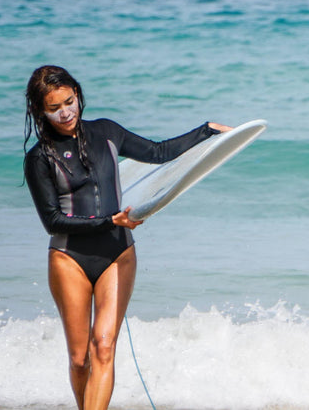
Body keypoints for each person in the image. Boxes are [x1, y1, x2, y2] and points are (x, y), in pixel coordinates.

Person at [23, 65, 231, 410]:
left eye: (70, 101)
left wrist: (206, 131)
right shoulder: (39, 158)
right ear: (39, 111)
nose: (65, 113)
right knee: (79, 358)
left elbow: (158, 153)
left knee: (103, 346)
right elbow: (53, 221)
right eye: (54, 108)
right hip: (69, 258)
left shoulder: (106, 132)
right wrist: (111, 221)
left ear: (78, 94)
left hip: (118, 254)